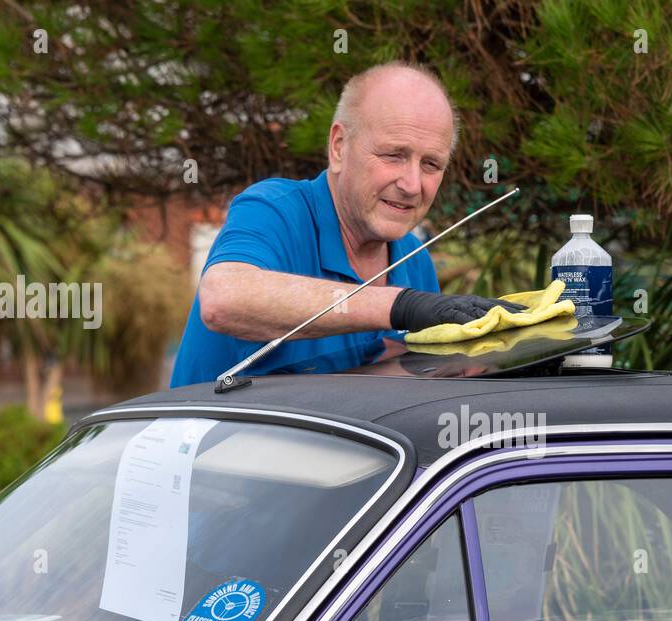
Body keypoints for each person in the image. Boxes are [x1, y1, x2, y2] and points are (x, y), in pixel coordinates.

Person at [170, 61, 521, 386]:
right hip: (206, 449)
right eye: (394, 155)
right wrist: (399, 306)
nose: (413, 185)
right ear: (339, 146)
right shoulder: (273, 210)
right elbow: (223, 300)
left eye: (431, 164)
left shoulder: (414, 260)